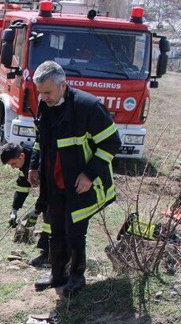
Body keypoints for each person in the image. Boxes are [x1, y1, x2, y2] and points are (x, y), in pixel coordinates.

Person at [30, 61, 119, 295]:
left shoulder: (88, 107)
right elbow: (42, 140)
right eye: (41, 93)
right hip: (54, 182)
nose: (44, 98)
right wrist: (34, 165)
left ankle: (77, 276)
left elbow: (111, 143)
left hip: (80, 184)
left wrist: (89, 174)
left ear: (63, 86)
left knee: (75, 230)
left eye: (48, 92)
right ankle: (57, 273)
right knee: (55, 227)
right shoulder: (45, 104)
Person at [0, 141, 51, 267]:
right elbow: (22, 186)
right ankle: (47, 252)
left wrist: (36, 211)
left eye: (13, 163)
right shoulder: (24, 164)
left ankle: (48, 255)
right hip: (50, 192)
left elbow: (48, 191)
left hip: (59, 190)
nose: (13, 167)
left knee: (50, 217)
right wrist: (14, 211)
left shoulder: (37, 162)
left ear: (21, 156)